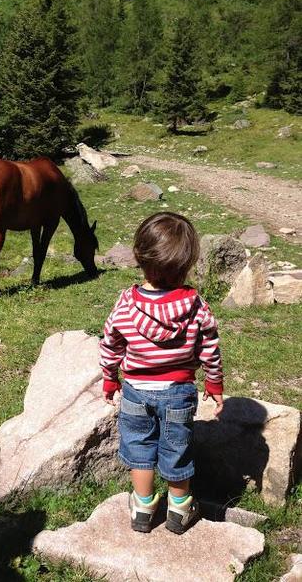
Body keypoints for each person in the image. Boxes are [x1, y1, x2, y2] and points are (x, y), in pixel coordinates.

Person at [100, 212, 224, 535]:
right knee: (176, 446)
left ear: (140, 259)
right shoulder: (196, 306)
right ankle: (179, 510)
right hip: (178, 393)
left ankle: (142, 506)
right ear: (186, 264)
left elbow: (110, 342)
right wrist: (214, 381)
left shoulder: (126, 305)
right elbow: (210, 347)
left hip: (136, 391)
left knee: (140, 447)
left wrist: (110, 377)